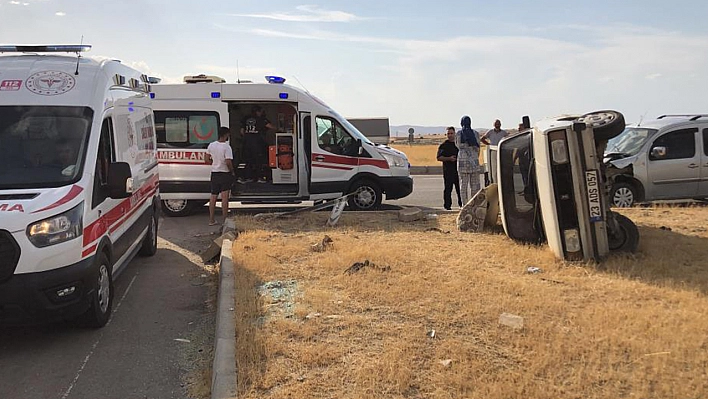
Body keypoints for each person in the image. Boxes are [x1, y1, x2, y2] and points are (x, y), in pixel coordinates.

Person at [205, 127, 235, 226]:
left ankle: (211, 220)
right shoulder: (227, 147)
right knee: (224, 198)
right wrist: (232, 171)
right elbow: (228, 161)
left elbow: (206, 159)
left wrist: (214, 163)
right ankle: (225, 220)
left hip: (215, 173)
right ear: (226, 135)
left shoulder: (211, 145)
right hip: (224, 173)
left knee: (213, 196)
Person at [240, 105, 274, 183]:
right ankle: (259, 177)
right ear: (258, 112)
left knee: (248, 161)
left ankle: (247, 177)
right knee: (259, 160)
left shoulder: (246, 118)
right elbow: (270, 126)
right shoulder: (261, 119)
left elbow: (241, 131)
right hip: (257, 143)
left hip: (247, 143)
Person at [456, 115, 481, 206]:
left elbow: (457, 145)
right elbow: (478, 147)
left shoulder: (459, 134)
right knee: (475, 185)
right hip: (474, 161)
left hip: (462, 161)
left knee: (463, 185)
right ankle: (475, 205)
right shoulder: (476, 133)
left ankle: (465, 205)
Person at [437, 126, 462, 210]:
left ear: (454, 134)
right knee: (448, 189)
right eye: (448, 134)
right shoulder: (443, 145)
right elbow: (439, 157)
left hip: (459, 171)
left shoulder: (459, 144)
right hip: (448, 171)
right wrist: (449, 159)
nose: (450, 135)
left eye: (451, 133)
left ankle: (462, 205)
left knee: (460, 190)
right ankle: (447, 206)